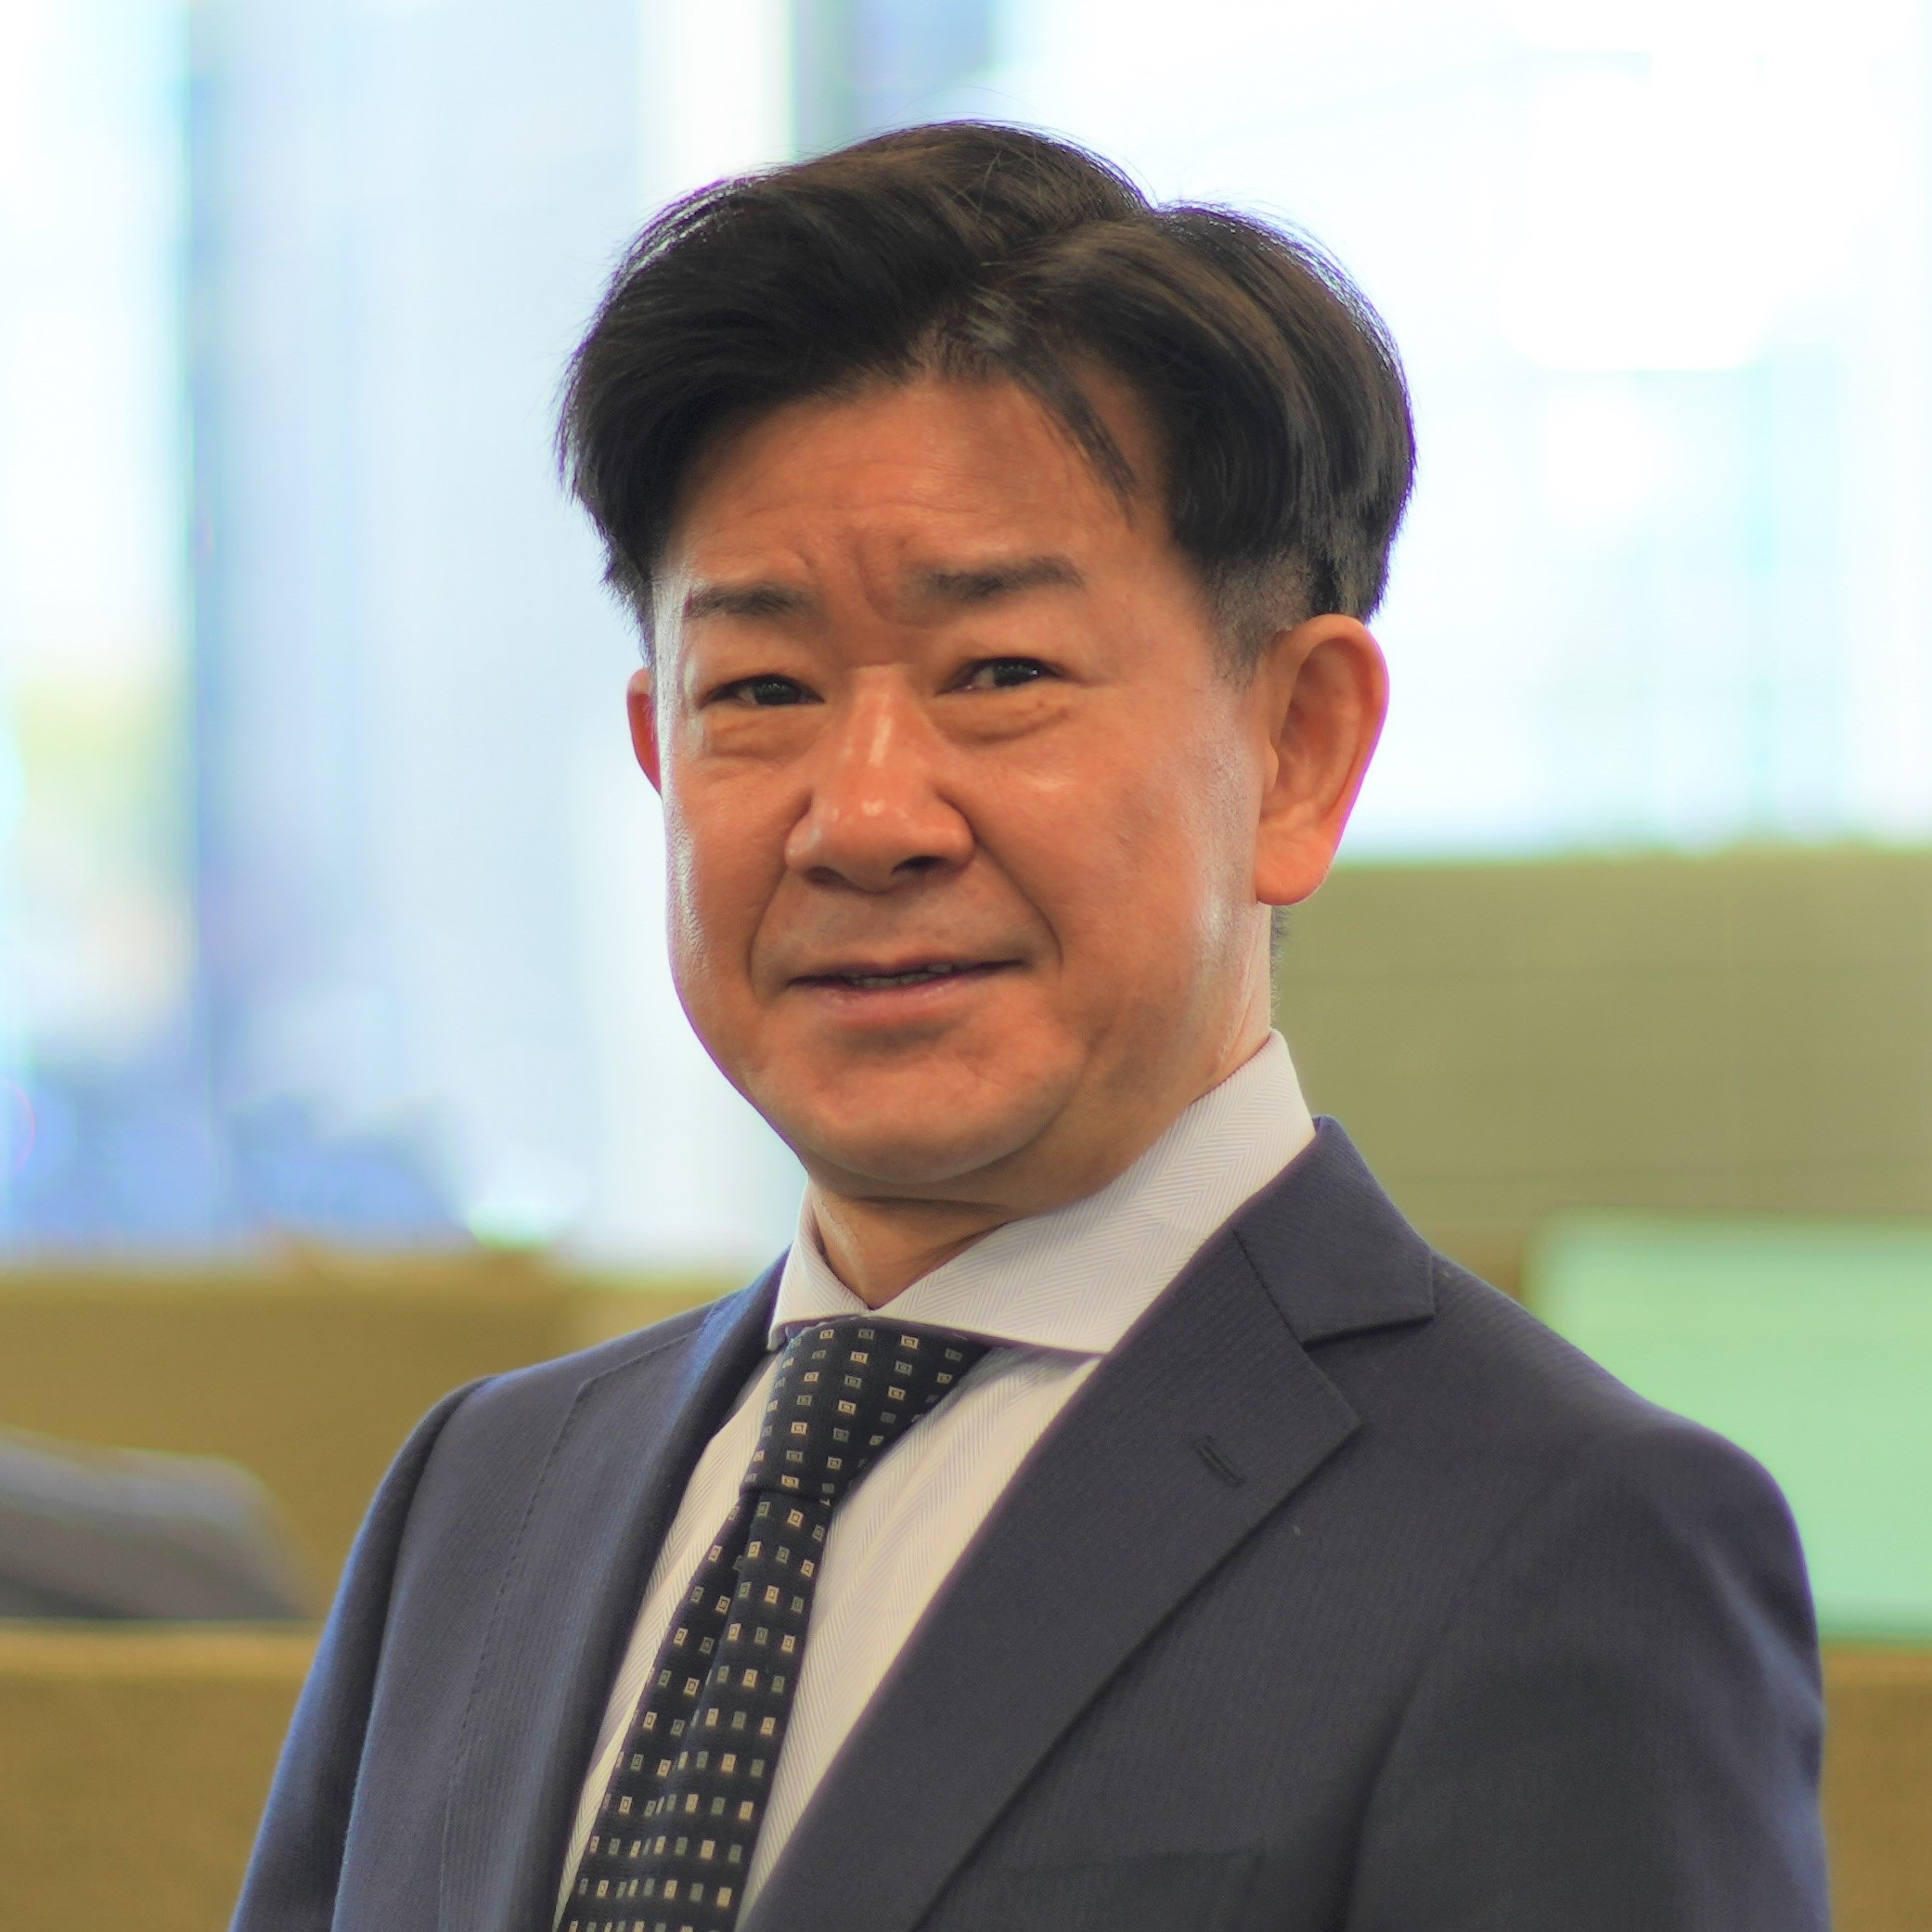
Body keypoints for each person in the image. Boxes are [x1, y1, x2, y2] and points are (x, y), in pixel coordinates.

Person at [232, 123, 1827, 1932]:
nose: (863, 816)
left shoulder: (1565, 1537)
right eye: (760, 688)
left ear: (1296, 751)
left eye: (998, 674)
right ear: (659, 752)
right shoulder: (485, 1491)